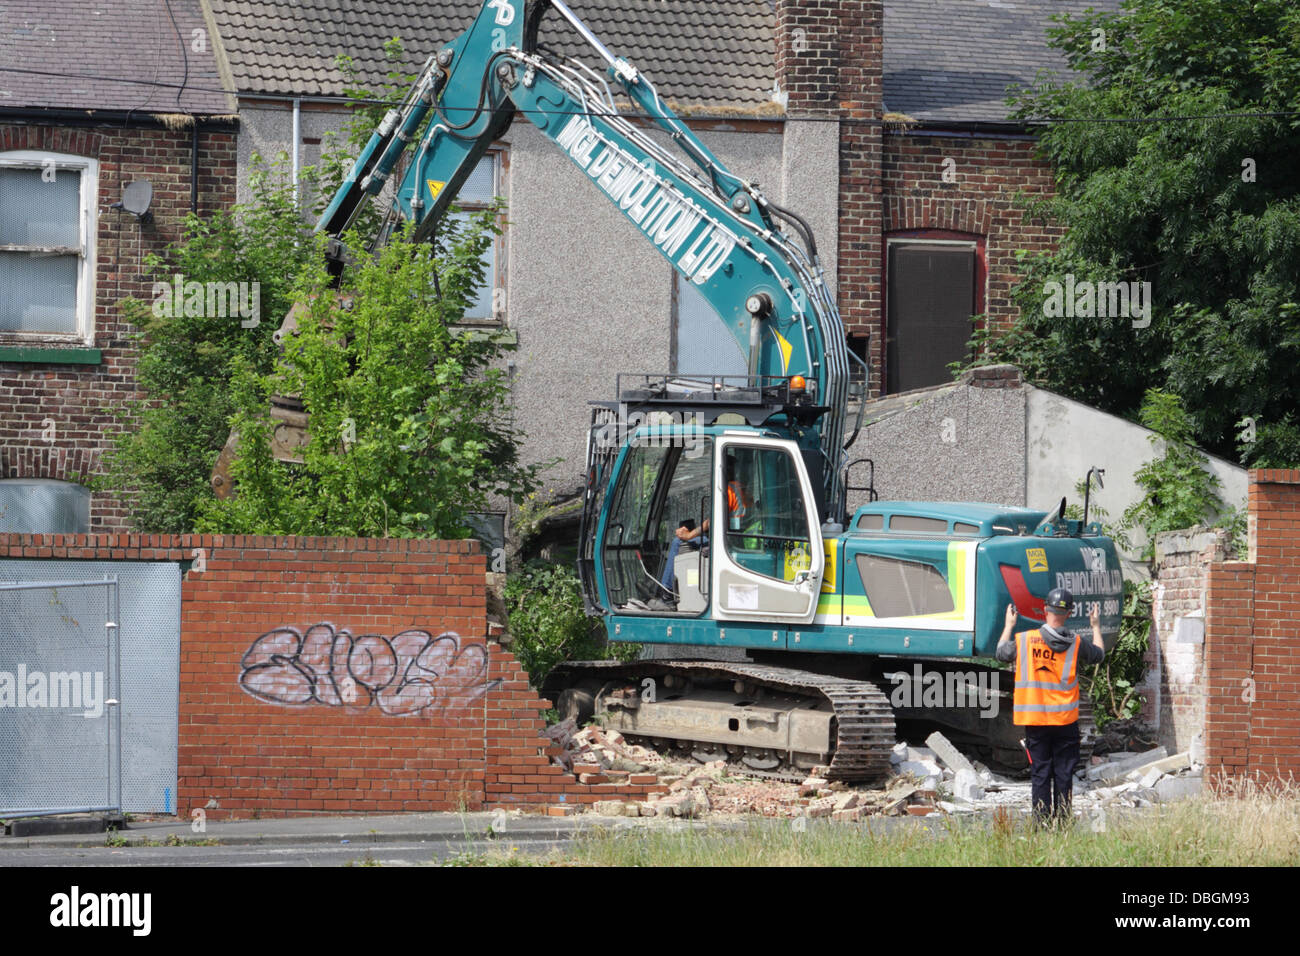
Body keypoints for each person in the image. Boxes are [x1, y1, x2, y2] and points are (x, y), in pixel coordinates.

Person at [996, 587, 1106, 825]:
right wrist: (1095, 625)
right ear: (1070, 612)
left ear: (1045, 609)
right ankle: (1064, 822)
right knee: (1064, 773)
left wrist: (1009, 625)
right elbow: (1099, 654)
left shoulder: (1024, 640)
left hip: (1035, 721)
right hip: (1065, 720)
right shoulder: (1076, 643)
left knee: (1040, 772)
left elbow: (1001, 653)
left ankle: (1042, 822)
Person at [657, 460, 752, 597]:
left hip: (728, 542)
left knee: (678, 543)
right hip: (736, 539)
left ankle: (665, 591)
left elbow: (712, 520)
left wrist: (689, 535)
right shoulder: (744, 491)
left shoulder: (730, 489)